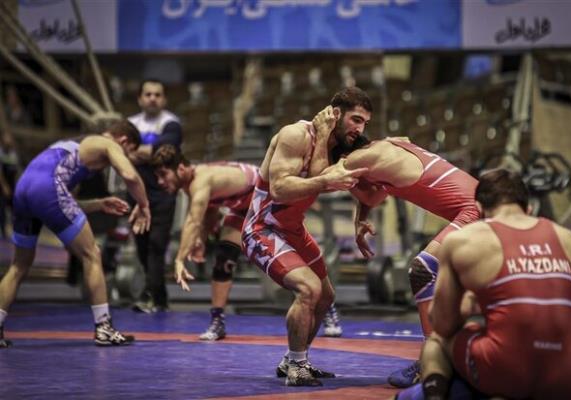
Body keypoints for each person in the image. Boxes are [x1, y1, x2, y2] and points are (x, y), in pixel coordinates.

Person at [312, 107, 480, 387]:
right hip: (481, 205)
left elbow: (319, 177)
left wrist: (320, 136)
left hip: (475, 211)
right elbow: (374, 196)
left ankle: (432, 361)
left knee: (423, 269)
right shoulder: (391, 145)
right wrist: (361, 217)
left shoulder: (358, 159)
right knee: (466, 284)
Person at [400, 168, 571, 400]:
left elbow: (443, 323)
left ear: (479, 209)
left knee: (436, 341)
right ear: (529, 208)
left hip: (506, 370)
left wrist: (467, 305)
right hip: (567, 378)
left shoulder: (463, 240)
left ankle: (434, 395)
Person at [234, 87, 371, 386]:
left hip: (293, 228)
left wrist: (361, 218)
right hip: (263, 227)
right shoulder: (295, 135)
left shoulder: (334, 144)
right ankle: (297, 367)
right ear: (336, 114)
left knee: (326, 295)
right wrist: (324, 167)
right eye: (356, 120)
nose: (360, 129)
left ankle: (294, 360)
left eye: (365, 123)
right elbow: (280, 189)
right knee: (309, 288)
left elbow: (357, 183)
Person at [0, 120, 151, 348]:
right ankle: (104, 328)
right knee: (92, 254)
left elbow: (54, 199)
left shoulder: (73, 144)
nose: (124, 156)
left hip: (23, 190)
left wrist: (99, 204)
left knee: (18, 266)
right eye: (128, 152)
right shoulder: (109, 143)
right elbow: (130, 176)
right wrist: (144, 205)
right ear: (124, 141)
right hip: (47, 189)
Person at [151, 144, 259, 341]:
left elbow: (193, 221)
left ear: (181, 169)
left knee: (285, 258)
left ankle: (318, 304)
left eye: (163, 174)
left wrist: (179, 259)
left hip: (268, 198)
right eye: (157, 176)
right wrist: (200, 239)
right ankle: (217, 322)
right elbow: (210, 210)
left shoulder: (200, 181)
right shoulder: (191, 183)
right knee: (224, 260)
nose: (160, 181)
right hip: (243, 206)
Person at [128, 79, 183, 313]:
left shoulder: (171, 123)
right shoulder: (131, 123)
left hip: (163, 194)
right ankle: (159, 297)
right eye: (148, 94)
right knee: (142, 245)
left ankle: (150, 294)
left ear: (164, 99)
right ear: (140, 98)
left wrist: (135, 152)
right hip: (136, 194)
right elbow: (118, 152)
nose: (152, 98)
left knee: (157, 244)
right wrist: (147, 153)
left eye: (157, 95)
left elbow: (164, 149)